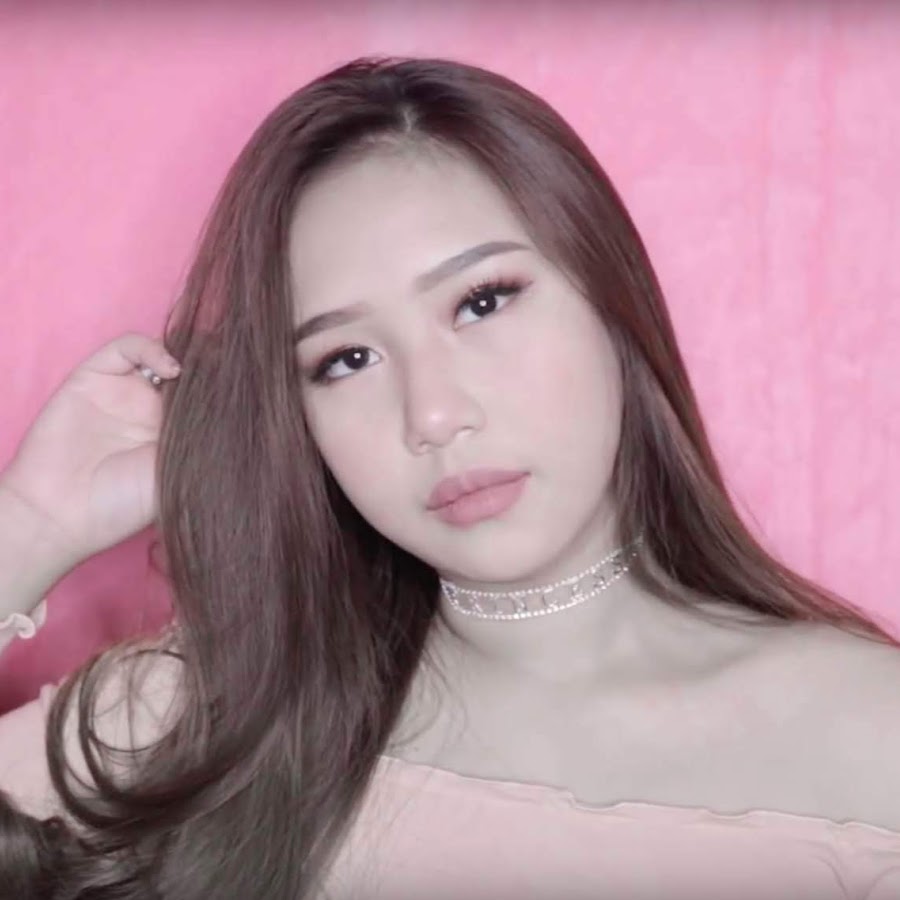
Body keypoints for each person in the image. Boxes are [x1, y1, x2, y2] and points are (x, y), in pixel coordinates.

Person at [1, 54, 898, 900]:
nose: (431, 415)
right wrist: (31, 526)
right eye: (347, 359)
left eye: (482, 302)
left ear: (611, 297)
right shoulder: (201, 718)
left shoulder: (869, 736)